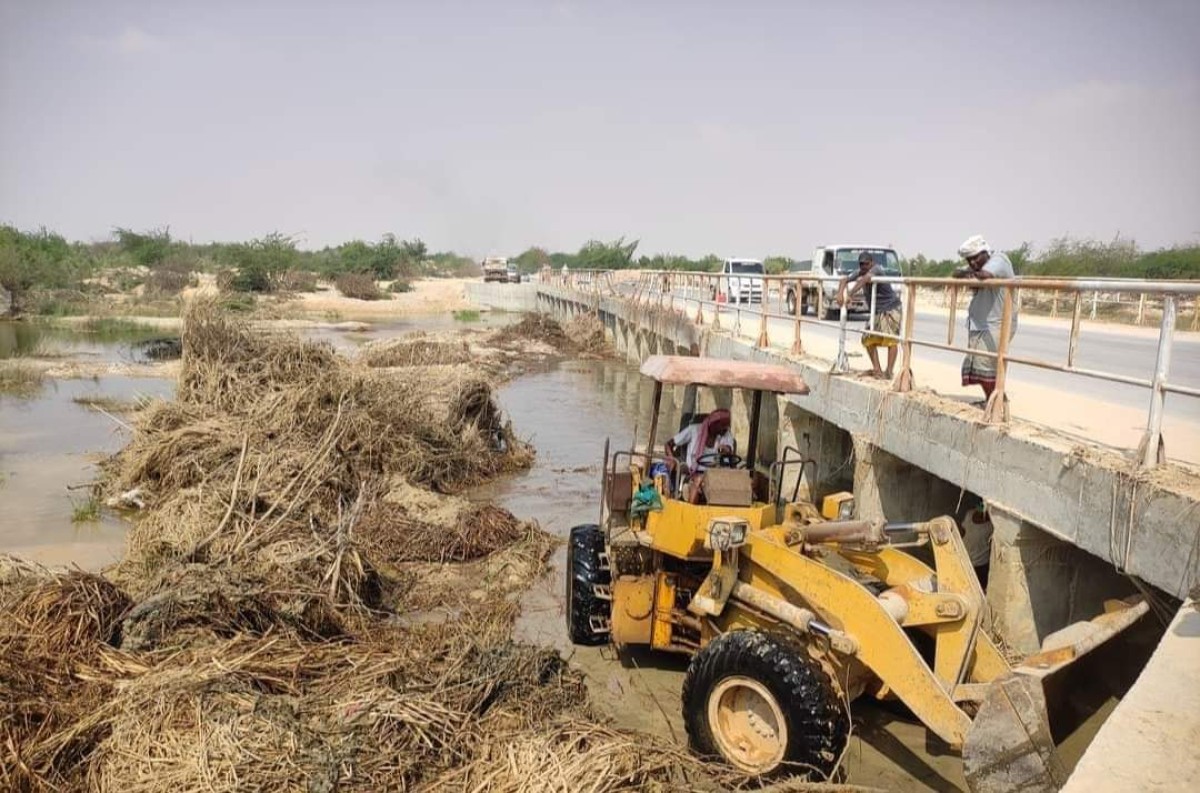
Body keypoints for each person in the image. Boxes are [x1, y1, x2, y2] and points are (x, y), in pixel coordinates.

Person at [954, 235, 1018, 402]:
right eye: (969, 260)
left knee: (986, 364)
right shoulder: (978, 267)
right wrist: (967, 274)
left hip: (997, 324)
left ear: (985, 252)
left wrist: (969, 274)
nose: (973, 263)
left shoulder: (999, 260)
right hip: (979, 323)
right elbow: (957, 274)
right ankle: (992, 399)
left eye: (975, 258)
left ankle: (997, 402)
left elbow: (985, 275)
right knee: (978, 364)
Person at [837, 251, 902, 379]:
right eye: (861, 264)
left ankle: (888, 372)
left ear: (872, 263)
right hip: (876, 311)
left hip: (890, 308)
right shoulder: (860, 271)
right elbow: (844, 279)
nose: (864, 267)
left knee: (891, 340)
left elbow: (866, 279)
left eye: (866, 264)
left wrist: (850, 293)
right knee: (867, 339)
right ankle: (877, 370)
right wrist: (840, 293)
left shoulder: (876, 269)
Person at [665, 409, 736, 503]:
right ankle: (691, 511)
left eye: (727, 426)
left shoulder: (725, 435)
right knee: (699, 481)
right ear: (714, 424)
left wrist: (725, 450)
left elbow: (729, 449)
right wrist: (671, 459)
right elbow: (668, 444)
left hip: (718, 474)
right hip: (694, 473)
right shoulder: (694, 430)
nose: (725, 429)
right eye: (723, 426)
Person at [962, 501, 994, 590]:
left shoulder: (991, 526)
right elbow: (963, 531)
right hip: (965, 559)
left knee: (978, 590)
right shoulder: (969, 514)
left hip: (980, 566)